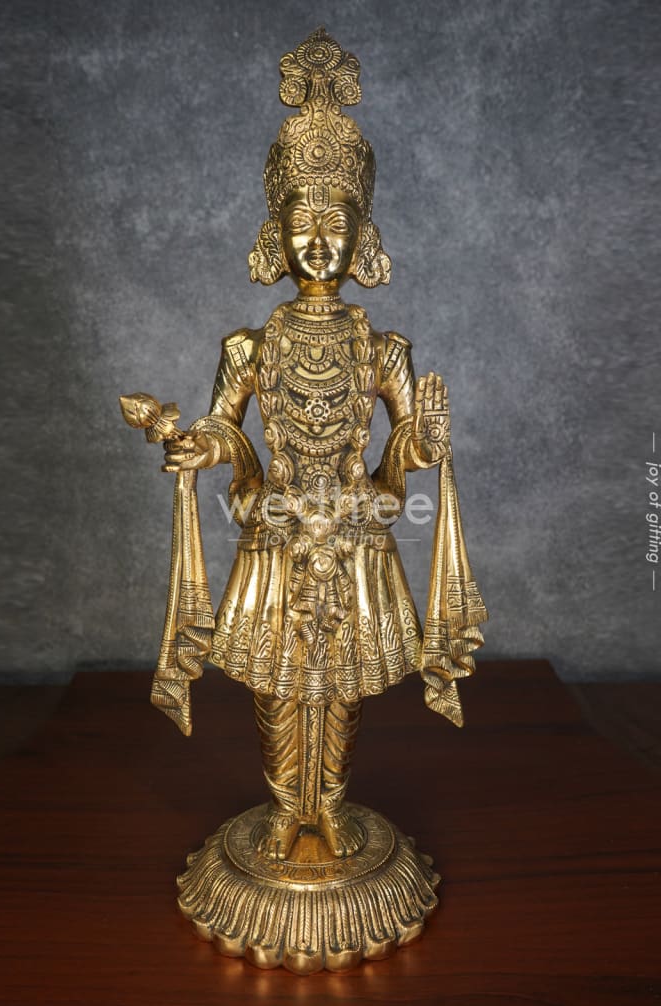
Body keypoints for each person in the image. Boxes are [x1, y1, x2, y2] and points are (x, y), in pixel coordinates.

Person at [125, 29, 486, 865]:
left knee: (342, 690)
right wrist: (201, 447)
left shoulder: (383, 349)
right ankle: (290, 808)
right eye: (301, 225)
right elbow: (226, 425)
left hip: (354, 538)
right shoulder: (250, 347)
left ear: (363, 238)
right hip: (278, 536)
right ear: (274, 235)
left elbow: (403, 452)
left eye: (335, 225)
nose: (317, 242)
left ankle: (332, 805)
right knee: (280, 687)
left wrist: (425, 441)